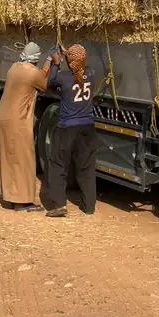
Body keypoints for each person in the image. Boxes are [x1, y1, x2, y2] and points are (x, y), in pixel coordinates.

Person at [0, 41, 51, 212]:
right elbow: (45, 84)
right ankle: (22, 202)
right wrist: (53, 62)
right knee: (23, 159)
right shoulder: (32, 73)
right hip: (17, 121)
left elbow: (38, 75)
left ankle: (10, 196)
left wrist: (48, 60)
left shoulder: (14, 68)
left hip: (3, 117)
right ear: (36, 59)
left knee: (9, 159)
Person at [44, 43, 97, 218]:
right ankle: (89, 206)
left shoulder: (63, 78)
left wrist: (56, 63)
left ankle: (59, 205)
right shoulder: (91, 74)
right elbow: (81, 66)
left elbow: (49, 84)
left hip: (67, 128)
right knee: (86, 167)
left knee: (58, 165)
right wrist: (70, 55)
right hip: (87, 128)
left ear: (69, 62)